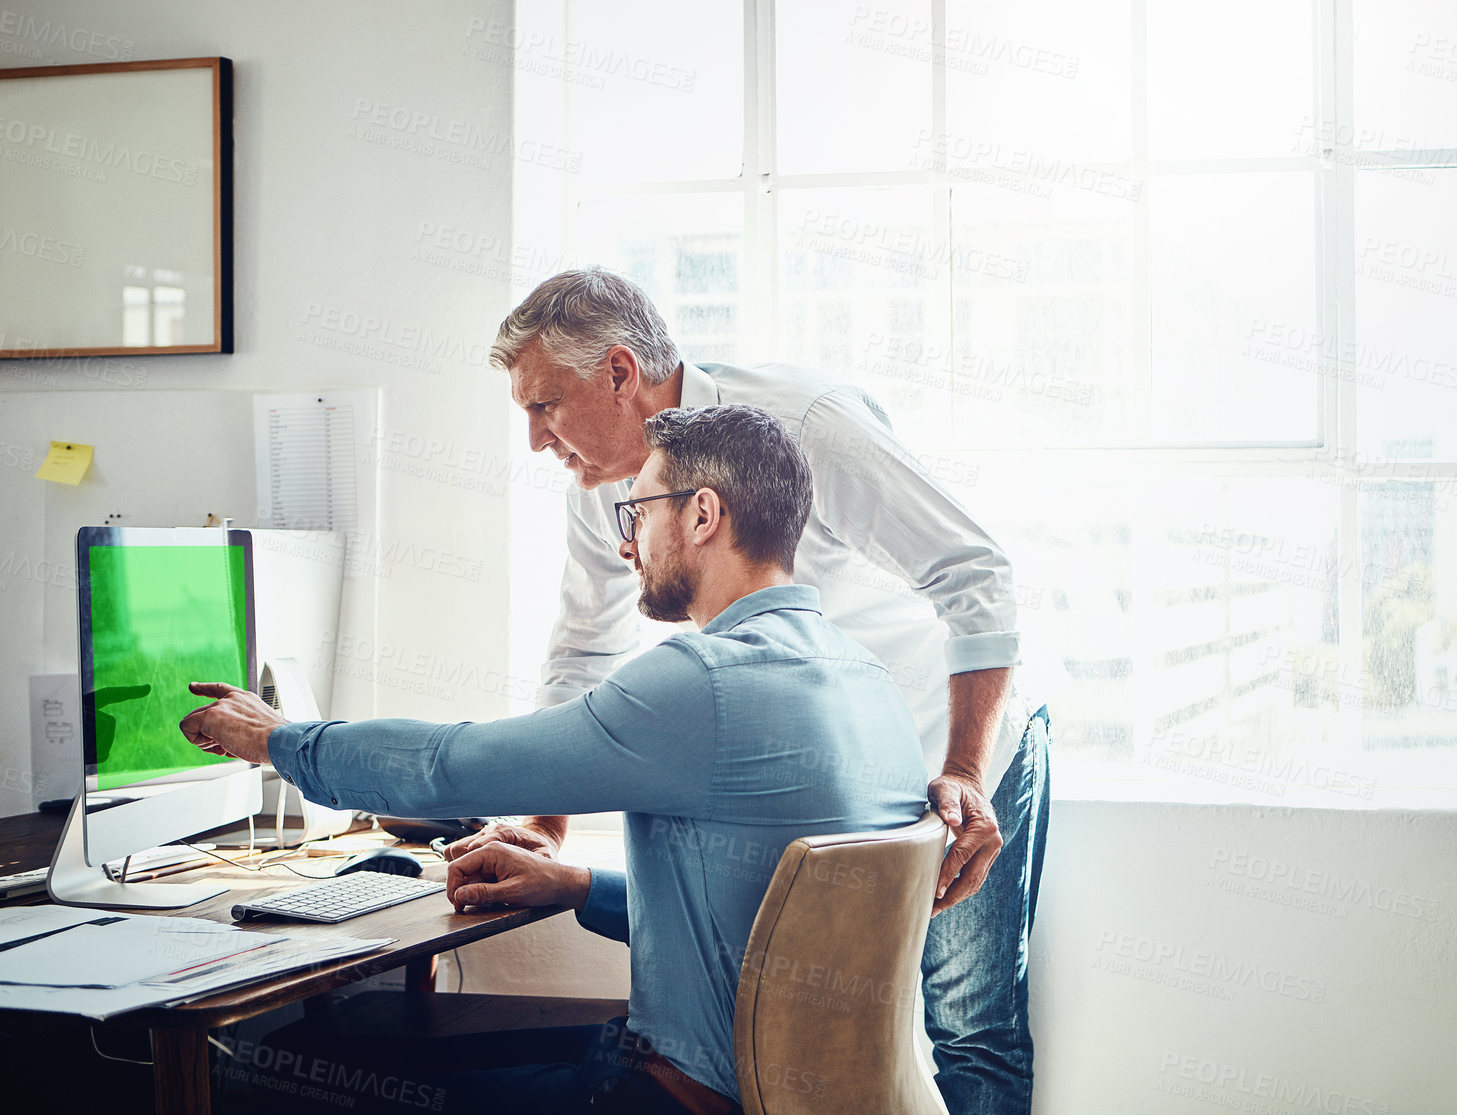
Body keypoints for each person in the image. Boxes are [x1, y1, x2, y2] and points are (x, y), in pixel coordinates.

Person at [180, 404, 928, 1114]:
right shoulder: (870, 682)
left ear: (702, 514)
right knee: (360, 1036)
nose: (625, 542)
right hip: (784, 1091)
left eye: (637, 510)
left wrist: (278, 738)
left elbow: (451, 764)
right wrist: (574, 885)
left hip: (669, 1095)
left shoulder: (700, 679)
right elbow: (776, 933)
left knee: (273, 1072)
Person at [454, 267, 1051, 1115]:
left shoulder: (804, 424)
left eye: (544, 405)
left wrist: (964, 766)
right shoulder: (601, 489)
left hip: (950, 735)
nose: (535, 439)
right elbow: (585, 647)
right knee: (821, 1018)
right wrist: (545, 824)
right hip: (828, 770)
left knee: (966, 1026)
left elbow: (975, 573)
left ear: (620, 373)